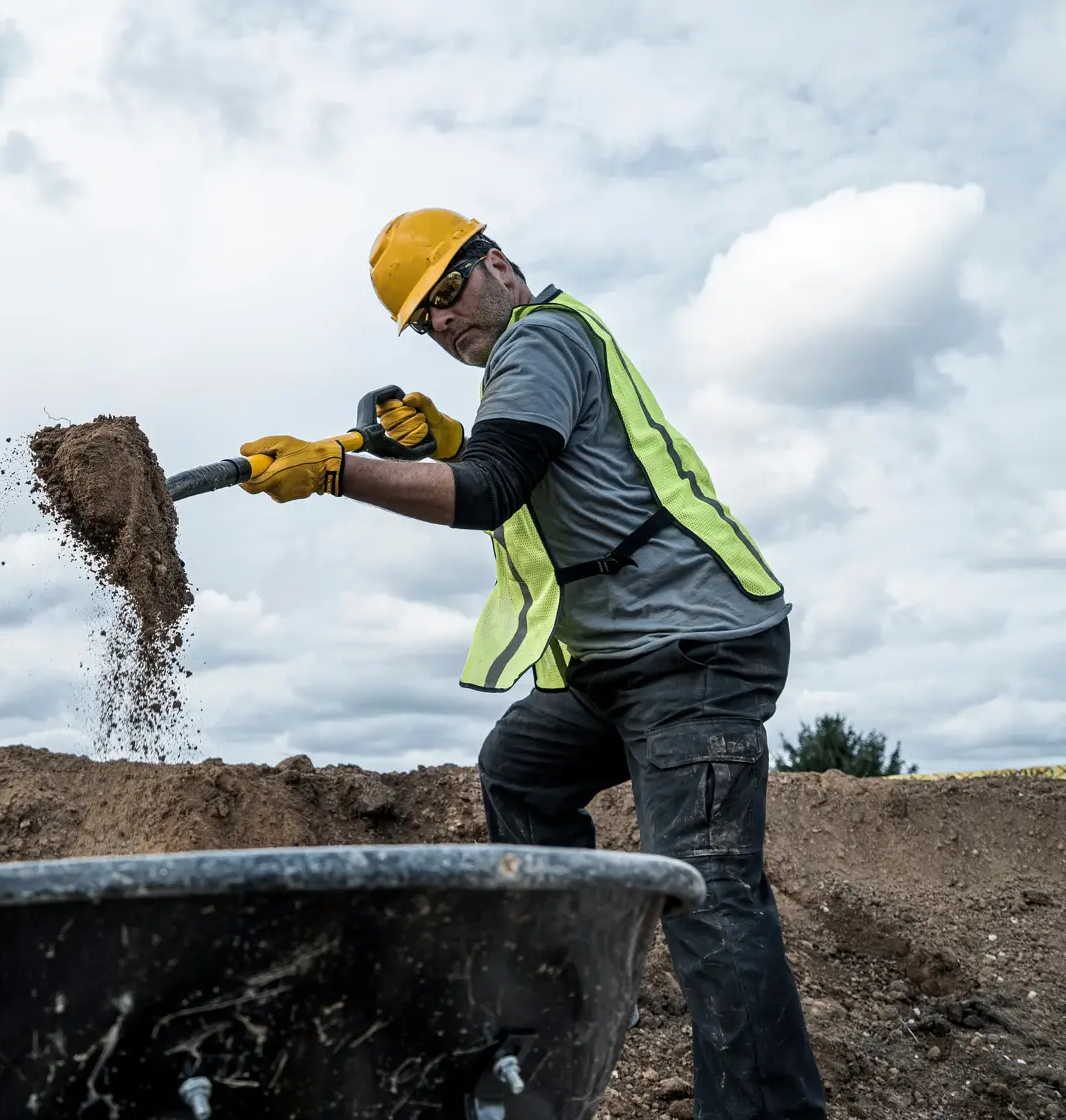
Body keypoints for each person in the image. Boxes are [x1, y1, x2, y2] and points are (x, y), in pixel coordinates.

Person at [237, 208, 826, 1119]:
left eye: (448, 290)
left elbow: (490, 492)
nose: (442, 321)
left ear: (499, 265)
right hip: (619, 663)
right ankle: (569, 1000)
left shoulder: (539, 340)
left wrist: (337, 474)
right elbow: (519, 467)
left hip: (691, 651)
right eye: (423, 316)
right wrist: (445, 445)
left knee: (711, 901)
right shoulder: (528, 358)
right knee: (519, 769)